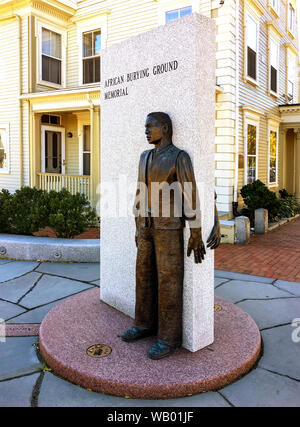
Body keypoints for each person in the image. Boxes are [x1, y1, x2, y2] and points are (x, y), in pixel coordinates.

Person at [121, 112, 221, 359]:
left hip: (169, 228)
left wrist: (195, 231)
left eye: (150, 126)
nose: (145, 131)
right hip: (145, 227)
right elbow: (139, 193)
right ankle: (144, 323)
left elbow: (190, 194)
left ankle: (169, 337)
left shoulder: (179, 157)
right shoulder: (144, 157)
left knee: (169, 281)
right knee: (143, 276)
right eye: (144, 127)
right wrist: (137, 225)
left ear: (164, 128)